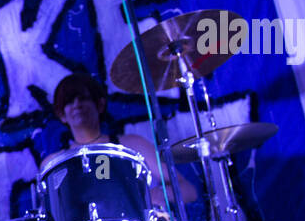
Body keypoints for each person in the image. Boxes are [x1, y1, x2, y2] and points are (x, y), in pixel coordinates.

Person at [42, 72, 197, 206]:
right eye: (69, 101)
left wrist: (156, 195)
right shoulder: (53, 163)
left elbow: (188, 190)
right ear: (61, 114)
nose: (77, 105)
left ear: (100, 105)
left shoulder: (133, 145)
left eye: (83, 98)